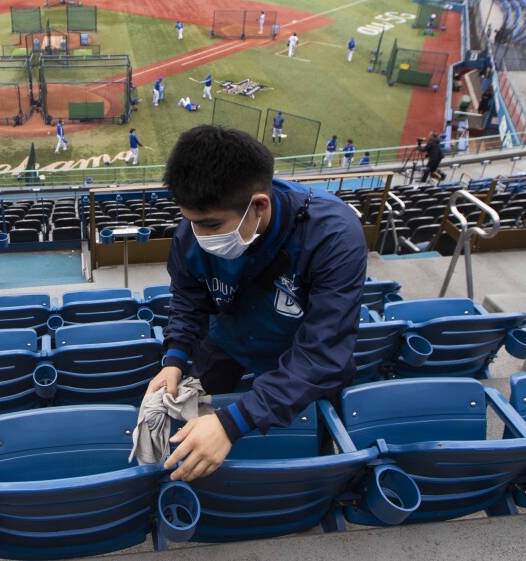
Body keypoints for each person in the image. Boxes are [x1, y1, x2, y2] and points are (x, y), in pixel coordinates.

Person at [149, 125, 366, 483]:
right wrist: (175, 357)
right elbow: (188, 295)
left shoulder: (333, 235)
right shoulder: (194, 226)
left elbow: (322, 354)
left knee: (311, 444)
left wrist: (233, 423)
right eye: (191, 222)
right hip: (228, 338)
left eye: (211, 224)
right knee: (200, 421)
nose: (198, 236)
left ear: (259, 206)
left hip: (297, 354)